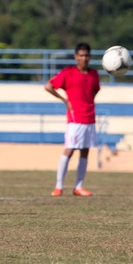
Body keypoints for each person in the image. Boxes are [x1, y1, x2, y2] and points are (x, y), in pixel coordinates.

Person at [45, 42, 100, 197]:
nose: (84, 58)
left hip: (90, 117)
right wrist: (65, 100)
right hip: (75, 118)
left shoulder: (94, 74)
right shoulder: (68, 72)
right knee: (69, 150)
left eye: (87, 55)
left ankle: (79, 186)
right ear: (76, 57)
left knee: (85, 151)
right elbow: (48, 86)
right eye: (81, 55)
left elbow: (94, 91)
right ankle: (58, 186)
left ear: (90, 57)